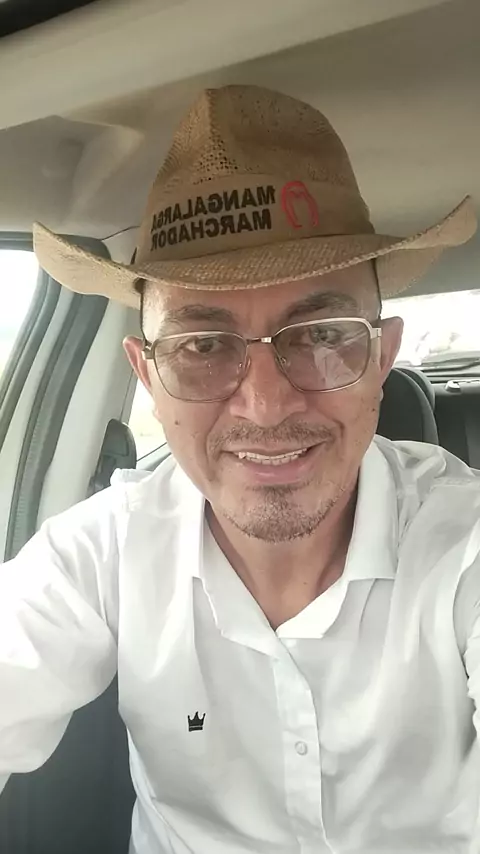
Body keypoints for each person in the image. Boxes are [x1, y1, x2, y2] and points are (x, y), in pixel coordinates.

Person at [1, 84, 479, 854]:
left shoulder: (462, 544)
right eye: (202, 346)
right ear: (147, 374)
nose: (264, 405)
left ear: (382, 356)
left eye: (320, 334)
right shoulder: (101, 554)